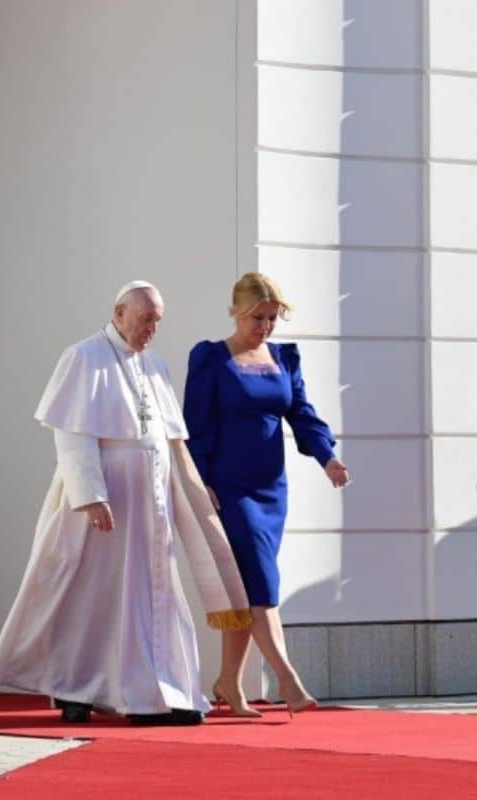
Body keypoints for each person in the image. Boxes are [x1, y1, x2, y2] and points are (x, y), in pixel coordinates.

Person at [0, 281, 251, 725]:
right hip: (102, 505)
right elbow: (73, 434)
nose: (152, 328)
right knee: (89, 599)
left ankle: (155, 691)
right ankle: (76, 689)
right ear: (119, 311)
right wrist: (90, 497)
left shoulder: (155, 365)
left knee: (151, 596)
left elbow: (171, 439)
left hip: (150, 506)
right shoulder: (83, 357)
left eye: (158, 321)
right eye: (145, 318)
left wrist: (190, 484)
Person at [183, 272, 350, 717]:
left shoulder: (283, 358)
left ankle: (229, 685)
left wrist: (327, 457)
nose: (265, 327)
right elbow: (194, 429)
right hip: (230, 490)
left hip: (271, 489)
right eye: (258, 317)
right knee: (261, 582)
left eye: (272, 318)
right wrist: (202, 486)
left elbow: (302, 414)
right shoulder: (210, 359)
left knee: (247, 586)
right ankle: (289, 680)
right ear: (237, 312)